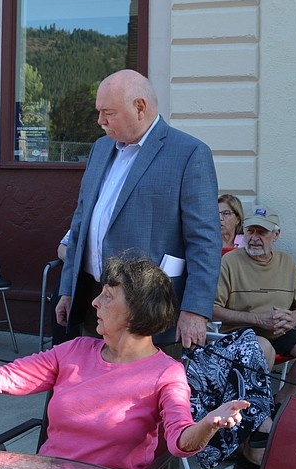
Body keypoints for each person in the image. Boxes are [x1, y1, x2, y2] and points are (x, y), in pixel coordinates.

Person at [0, 256, 250, 469]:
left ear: (137, 312)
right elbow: (6, 377)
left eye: (107, 297)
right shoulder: (76, 349)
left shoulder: (165, 373)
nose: (94, 303)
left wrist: (208, 425)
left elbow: (181, 441)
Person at [55, 70, 220, 348]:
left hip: (148, 305)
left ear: (140, 107)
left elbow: (204, 241)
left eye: (108, 112)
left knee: (143, 391)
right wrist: (68, 289)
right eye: (99, 112)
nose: (100, 121)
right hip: (94, 297)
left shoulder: (189, 153)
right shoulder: (100, 149)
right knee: (93, 386)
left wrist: (195, 310)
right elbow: (81, 222)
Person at [212, 207, 296, 468]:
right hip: (239, 336)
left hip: (279, 331)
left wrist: (295, 317)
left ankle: (280, 402)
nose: (255, 238)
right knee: (263, 346)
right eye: (250, 231)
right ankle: (257, 420)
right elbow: (212, 310)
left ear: (275, 235)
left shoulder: (287, 262)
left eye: (262, 232)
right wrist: (255, 319)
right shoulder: (230, 262)